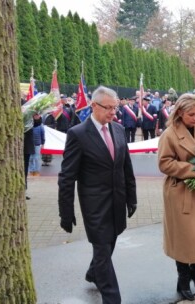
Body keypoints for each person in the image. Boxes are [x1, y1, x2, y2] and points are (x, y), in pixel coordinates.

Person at [58, 86, 137, 304]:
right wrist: (66, 212)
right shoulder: (78, 134)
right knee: (102, 248)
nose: (114, 112)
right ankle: (112, 298)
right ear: (94, 106)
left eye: (116, 107)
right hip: (94, 206)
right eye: (109, 108)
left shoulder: (119, 130)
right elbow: (67, 177)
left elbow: (126, 168)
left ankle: (93, 272)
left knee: (110, 242)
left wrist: (132, 197)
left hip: (117, 201)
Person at [157, 94, 195, 301]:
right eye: (191, 114)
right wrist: (194, 170)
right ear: (180, 113)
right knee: (185, 239)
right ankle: (183, 280)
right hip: (180, 191)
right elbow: (164, 163)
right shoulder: (169, 134)